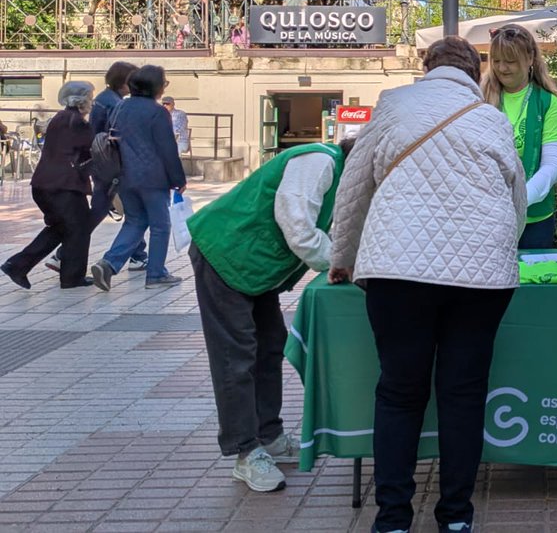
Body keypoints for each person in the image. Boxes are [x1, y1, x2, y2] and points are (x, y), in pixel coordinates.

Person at [330, 36, 526, 533]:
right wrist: (502, 249)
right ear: (474, 71)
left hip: (396, 269)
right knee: (462, 394)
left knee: (399, 391)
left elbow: (355, 186)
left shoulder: (394, 104)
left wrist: (343, 258)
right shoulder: (491, 118)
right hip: (481, 276)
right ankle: (456, 517)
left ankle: (393, 518)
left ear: (426, 66)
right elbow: (517, 199)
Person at [187, 137, 356, 493]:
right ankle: (245, 452)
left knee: (269, 346)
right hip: (226, 253)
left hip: (253, 265)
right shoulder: (319, 161)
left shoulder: (338, 175)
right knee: (236, 356)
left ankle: (270, 435)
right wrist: (340, 263)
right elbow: (297, 224)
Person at [91, 65, 187, 291]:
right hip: (153, 177)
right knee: (160, 225)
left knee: (135, 221)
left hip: (124, 176)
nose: (164, 88)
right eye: (164, 83)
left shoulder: (120, 107)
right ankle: (156, 274)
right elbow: (167, 148)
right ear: (155, 86)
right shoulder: (157, 112)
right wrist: (178, 179)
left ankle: (109, 263)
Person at [46, 61, 144, 276]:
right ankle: (62, 254)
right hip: (109, 164)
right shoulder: (115, 103)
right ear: (124, 82)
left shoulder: (105, 99)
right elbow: (116, 132)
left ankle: (138, 254)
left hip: (103, 164)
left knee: (128, 210)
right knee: (109, 210)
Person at [2, 82, 97, 289]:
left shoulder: (60, 118)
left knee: (61, 227)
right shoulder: (77, 122)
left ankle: (17, 265)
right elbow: (91, 149)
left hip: (45, 183)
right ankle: (72, 278)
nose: (92, 101)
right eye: (91, 96)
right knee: (79, 228)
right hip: (64, 185)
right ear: (83, 99)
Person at [482, 24, 557, 249]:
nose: (502, 68)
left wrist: (519, 200)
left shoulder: (548, 102)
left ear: (530, 58)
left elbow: (553, 166)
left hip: (535, 220)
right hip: (486, 219)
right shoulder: (478, 100)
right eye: (497, 60)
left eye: (510, 61)